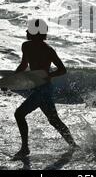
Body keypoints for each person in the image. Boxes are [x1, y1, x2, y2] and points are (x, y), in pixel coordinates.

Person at [13, 18, 77, 159]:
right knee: (54, 120)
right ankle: (73, 145)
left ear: (37, 33)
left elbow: (62, 69)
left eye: (29, 29)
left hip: (44, 89)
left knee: (19, 114)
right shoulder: (26, 46)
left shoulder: (48, 50)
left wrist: (49, 75)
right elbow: (24, 65)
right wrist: (12, 80)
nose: (26, 31)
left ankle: (25, 149)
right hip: (39, 90)